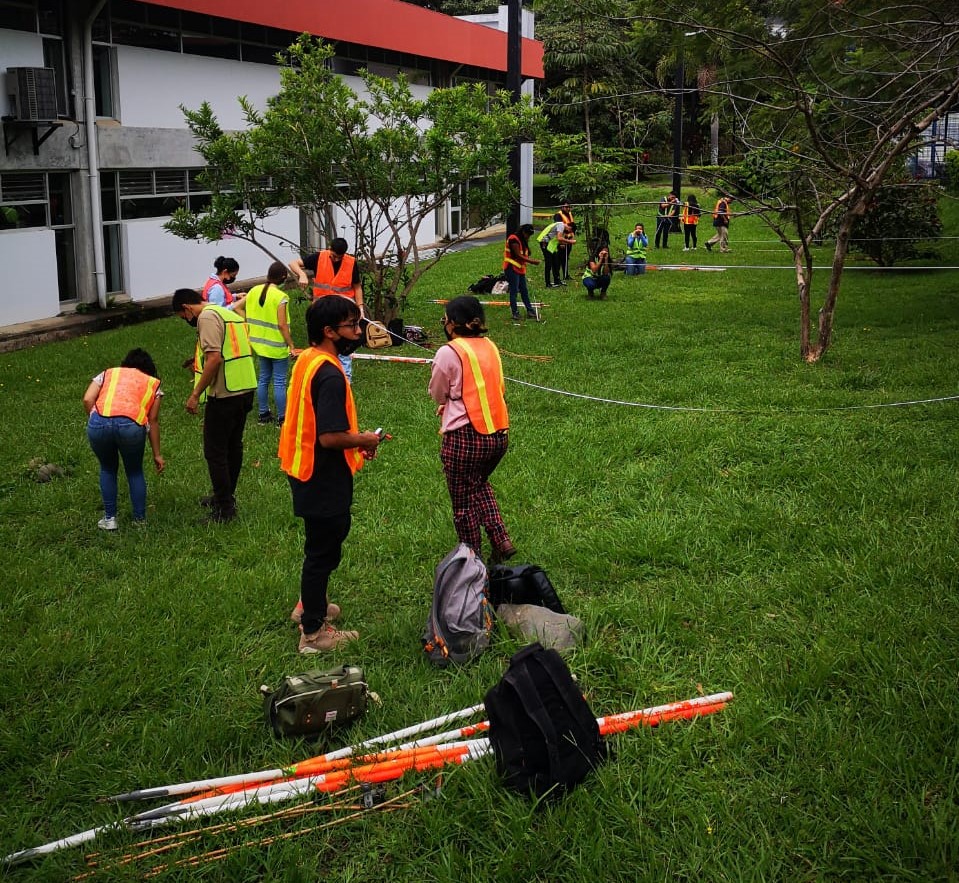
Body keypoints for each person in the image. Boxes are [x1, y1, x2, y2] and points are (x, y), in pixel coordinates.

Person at [278, 296, 381, 653]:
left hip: (303, 467)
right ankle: (313, 633)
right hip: (321, 474)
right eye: (351, 326)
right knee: (324, 549)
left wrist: (357, 441)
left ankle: (310, 604)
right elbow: (330, 437)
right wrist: (364, 438)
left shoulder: (308, 359)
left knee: (318, 545)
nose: (357, 331)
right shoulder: (330, 373)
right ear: (328, 331)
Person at [428, 295, 516, 564]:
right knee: (478, 484)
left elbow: (437, 391)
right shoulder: (490, 346)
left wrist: (447, 404)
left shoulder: (449, 351)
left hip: (464, 439)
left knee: (463, 503)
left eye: (445, 320)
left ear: (452, 324)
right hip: (498, 434)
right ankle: (500, 538)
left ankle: (472, 560)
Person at [172, 287, 256, 524]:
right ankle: (225, 496)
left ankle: (224, 508)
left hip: (225, 393)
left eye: (183, 317)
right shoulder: (227, 313)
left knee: (215, 451)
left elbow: (214, 358)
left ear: (187, 308)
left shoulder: (207, 317)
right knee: (233, 447)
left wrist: (195, 393)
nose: (187, 321)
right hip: (245, 387)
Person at [83, 348, 165, 530]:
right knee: (134, 472)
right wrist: (157, 454)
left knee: (107, 468)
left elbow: (88, 399)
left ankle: (110, 519)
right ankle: (139, 520)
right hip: (131, 427)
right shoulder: (153, 383)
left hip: (99, 423)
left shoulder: (107, 374)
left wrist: (96, 421)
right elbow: (153, 420)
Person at [289, 238, 366, 383]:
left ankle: (345, 379)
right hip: (322, 310)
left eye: (338, 257)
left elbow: (357, 286)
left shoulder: (351, 263)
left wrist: (360, 307)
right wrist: (302, 274)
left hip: (342, 311)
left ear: (344, 254)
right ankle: (318, 371)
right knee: (320, 341)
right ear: (329, 249)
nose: (335, 259)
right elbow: (293, 263)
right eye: (333, 255)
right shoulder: (320, 257)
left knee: (343, 341)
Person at [246, 261, 300, 426]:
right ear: (283, 277)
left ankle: (263, 414)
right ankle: (282, 418)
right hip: (276, 346)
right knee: (279, 382)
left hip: (259, 345)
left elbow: (238, 308)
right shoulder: (280, 297)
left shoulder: (254, 290)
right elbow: (282, 325)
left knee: (263, 379)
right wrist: (291, 345)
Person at [503, 223, 541, 321]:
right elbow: (518, 255)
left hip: (520, 268)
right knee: (514, 291)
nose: (528, 237)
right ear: (523, 232)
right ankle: (515, 312)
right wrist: (532, 261)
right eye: (527, 234)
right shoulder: (513, 239)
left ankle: (530, 310)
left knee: (524, 291)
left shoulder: (523, 240)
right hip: (511, 268)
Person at [536, 217, 575, 289]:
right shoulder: (561, 225)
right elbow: (559, 238)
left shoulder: (561, 227)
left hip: (551, 245)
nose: (568, 232)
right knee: (549, 263)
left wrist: (564, 243)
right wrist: (570, 242)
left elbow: (558, 239)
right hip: (545, 243)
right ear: (569, 227)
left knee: (556, 262)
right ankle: (548, 283)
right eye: (569, 230)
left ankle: (557, 280)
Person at [558, 202, 576, 280]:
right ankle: (558, 275)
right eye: (566, 207)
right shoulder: (558, 215)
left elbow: (572, 226)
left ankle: (566, 274)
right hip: (562, 240)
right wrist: (561, 242)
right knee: (560, 258)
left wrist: (572, 236)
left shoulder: (570, 214)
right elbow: (558, 228)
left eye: (569, 207)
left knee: (566, 257)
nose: (568, 209)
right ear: (562, 207)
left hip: (569, 239)